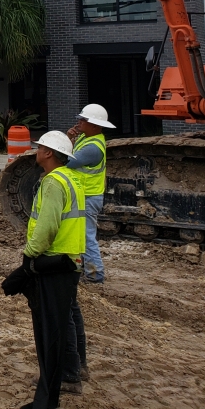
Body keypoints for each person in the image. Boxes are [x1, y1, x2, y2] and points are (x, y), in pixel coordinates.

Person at [4, 131, 86, 409]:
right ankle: (72, 371)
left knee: (53, 327)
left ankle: (62, 378)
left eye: (40, 147)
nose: (36, 150)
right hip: (70, 259)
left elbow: (47, 226)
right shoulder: (72, 178)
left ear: (49, 153)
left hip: (53, 261)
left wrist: (29, 256)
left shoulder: (53, 182)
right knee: (68, 318)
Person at [66, 103, 113, 284]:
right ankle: (85, 270)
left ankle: (95, 275)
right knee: (81, 235)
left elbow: (67, 162)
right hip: (82, 195)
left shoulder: (93, 147)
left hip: (88, 197)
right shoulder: (85, 137)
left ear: (94, 124)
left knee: (86, 236)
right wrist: (70, 139)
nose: (79, 122)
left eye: (83, 120)